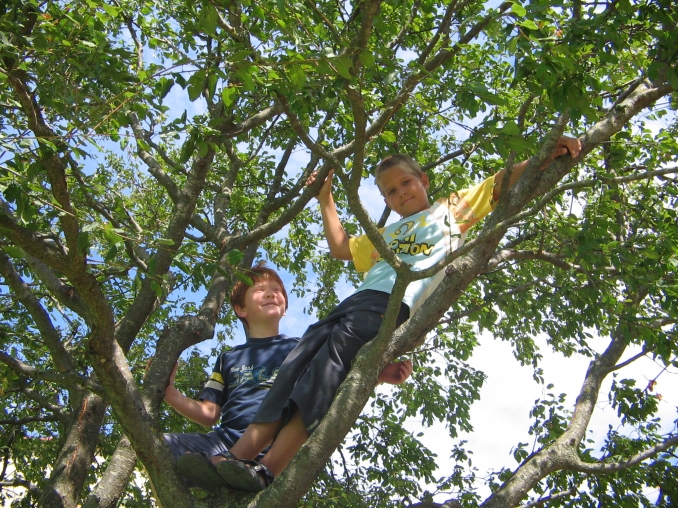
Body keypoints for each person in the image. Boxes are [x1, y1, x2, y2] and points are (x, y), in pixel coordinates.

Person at [214, 136, 582, 492]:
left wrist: (548, 151)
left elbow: (496, 184)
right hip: (355, 302)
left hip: (390, 304)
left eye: (406, 183)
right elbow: (342, 247)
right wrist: (324, 199)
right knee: (294, 368)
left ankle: (267, 470)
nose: (401, 193)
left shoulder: (449, 211)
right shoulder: (386, 234)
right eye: (391, 191)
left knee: (322, 378)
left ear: (423, 181)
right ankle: (233, 458)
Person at [160, 262, 299, 490]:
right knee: (162, 446)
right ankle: (214, 480)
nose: (271, 293)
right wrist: (169, 392)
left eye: (277, 290)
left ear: (284, 308)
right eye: (259, 290)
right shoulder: (228, 359)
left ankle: (239, 474)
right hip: (225, 442)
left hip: (276, 444)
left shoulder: (300, 348)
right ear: (241, 309)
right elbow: (208, 413)